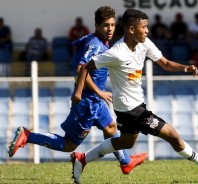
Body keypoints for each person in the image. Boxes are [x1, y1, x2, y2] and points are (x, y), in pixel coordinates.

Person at [71, 8, 198, 184]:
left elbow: (165, 63)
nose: (147, 31)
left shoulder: (144, 43)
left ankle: (82, 159)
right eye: (144, 27)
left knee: (126, 142)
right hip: (131, 110)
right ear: (131, 29)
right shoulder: (116, 52)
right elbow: (85, 67)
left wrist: (185, 67)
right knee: (172, 135)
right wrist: (79, 91)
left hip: (133, 106)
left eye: (147, 27)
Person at [8, 6, 147, 174]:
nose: (110, 29)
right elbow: (82, 68)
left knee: (110, 127)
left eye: (112, 25)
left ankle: (126, 162)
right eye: (105, 25)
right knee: (68, 145)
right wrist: (95, 92)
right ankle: (27, 135)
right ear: (97, 26)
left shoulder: (96, 40)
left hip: (95, 102)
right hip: (87, 103)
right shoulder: (97, 45)